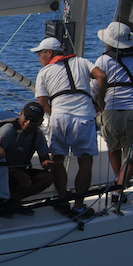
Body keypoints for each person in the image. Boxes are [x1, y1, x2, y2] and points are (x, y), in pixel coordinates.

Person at [32, 37, 107, 218]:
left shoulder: (44, 72)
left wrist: (57, 112)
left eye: (40, 54)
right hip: (85, 117)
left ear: (49, 52)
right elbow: (102, 76)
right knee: (85, 161)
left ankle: (63, 201)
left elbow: (43, 105)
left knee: (57, 160)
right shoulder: (82, 62)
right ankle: (79, 207)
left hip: (60, 118)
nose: (39, 58)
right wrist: (100, 101)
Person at [94, 21, 133, 205]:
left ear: (110, 42)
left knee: (113, 148)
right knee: (131, 156)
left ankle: (118, 186)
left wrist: (100, 102)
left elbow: (94, 86)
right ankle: (119, 189)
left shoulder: (103, 60)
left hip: (111, 111)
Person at [0, 102, 54, 203]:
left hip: (19, 172)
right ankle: (5, 203)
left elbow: (44, 157)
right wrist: (14, 172)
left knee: (48, 177)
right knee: (24, 182)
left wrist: (46, 163)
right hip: (0, 172)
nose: (28, 122)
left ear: (40, 122)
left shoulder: (38, 134)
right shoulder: (9, 130)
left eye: (34, 120)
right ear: (21, 114)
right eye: (27, 118)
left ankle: (12, 202)